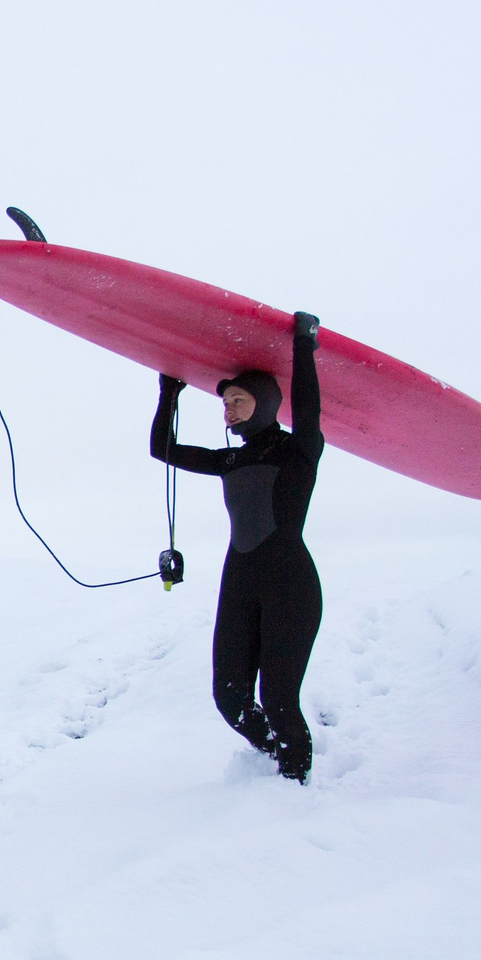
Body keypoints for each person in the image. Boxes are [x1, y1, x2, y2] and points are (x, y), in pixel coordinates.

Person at [149, 311, 325, 782]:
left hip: (290, 583)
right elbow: (162, 449)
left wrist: (304, 344)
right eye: (225, 401)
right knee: (230, 698)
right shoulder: (230, 459)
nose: (228, 409)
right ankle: (274, 757)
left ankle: (296, 788)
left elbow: (308, 411)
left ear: (266, 404)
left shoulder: (297, 452)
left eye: (239, 400)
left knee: (280, 698)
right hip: (241, 580)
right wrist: (170, 391)